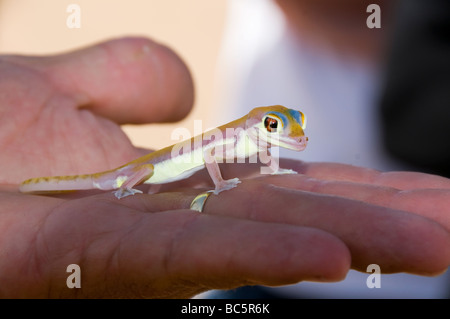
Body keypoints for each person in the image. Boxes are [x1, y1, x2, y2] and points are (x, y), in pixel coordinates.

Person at [0, 37, 448, 298]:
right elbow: (214, 161)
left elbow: (258, 155)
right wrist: (211, 188)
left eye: (292, 126)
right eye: (275, 126)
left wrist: (275, 170)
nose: (286, 132)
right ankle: (107, 189)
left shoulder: (253, 136)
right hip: (137, 174)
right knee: (108, 183)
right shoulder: (231, 139)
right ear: (258, 124)